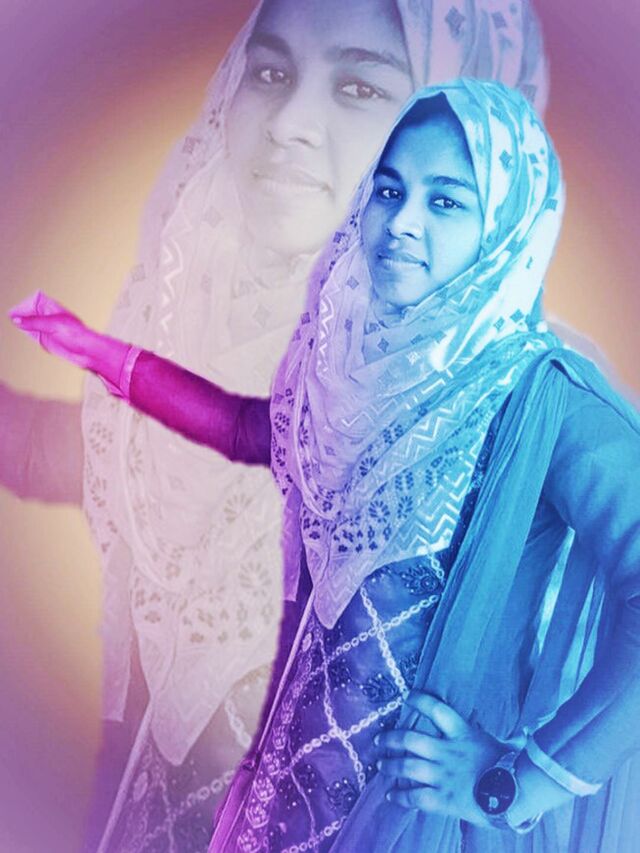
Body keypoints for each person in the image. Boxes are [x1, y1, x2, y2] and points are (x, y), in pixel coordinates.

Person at [11, 78, 640, 852]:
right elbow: (248, 428)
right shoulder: (357, 372)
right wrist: (100, 353)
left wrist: (516, 780)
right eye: (389, 190)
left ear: (510, 225)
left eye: (447, 201)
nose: (402, 222)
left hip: (419, 824)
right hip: (278, 808)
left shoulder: (546, 400)